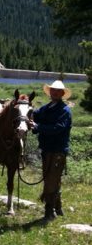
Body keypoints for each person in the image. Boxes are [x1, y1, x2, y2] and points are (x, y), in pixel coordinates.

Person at [31, 79, 72, 221]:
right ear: (50, 92)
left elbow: (58, 128)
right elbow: (35, 115)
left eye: (57, 91)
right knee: (53, 179)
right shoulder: (47, 108)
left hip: (58, 150)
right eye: (52, 90)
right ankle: (58, 208)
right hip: (47, 149)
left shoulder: (64, 111)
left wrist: (38, 127)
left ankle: (49, 212)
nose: (54, 93)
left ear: (62, 94)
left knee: (51, 180)